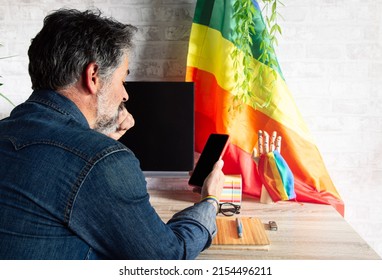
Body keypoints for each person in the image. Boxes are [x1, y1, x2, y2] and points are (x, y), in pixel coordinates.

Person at [0, 8, 225, 260]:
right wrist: (210, 201)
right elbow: (167, 259)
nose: (126, 94)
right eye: (123, 78)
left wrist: (99, 143)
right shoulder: (102, 161)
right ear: (93, 76)